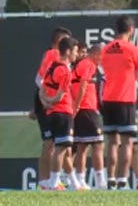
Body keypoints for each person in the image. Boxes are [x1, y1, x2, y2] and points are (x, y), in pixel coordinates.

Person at [100, 15, 138, 190]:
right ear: (131, 30)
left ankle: (110, 179)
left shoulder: (106, 49)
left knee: (112, 142)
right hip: (125, 99)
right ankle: (123, 180)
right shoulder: (133, 49)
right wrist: (132, 76)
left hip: (108, 99)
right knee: (127, 142)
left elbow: (104, 71)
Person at [30, 27, 72, 189]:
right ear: (59, 41)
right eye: (66, 40)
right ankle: (45, 180)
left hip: (52, 102)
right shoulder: (53, 55)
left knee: (56, 144)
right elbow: (40, 79)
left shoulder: (61, 59)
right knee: (50, 143)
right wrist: (47, 99)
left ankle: (53, 180)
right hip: (50, 103)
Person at [38, 37, 78, 190]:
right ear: (67, 52)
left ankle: (73, 183)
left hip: (51, 113)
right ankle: (54, 181)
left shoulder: (52, 67)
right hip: (63, 112)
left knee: (60, 147)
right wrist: (53, 101)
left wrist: (46, 102)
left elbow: (42, 89)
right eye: (74, 51)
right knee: (61, 148)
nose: (76, 55)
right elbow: (61, 95)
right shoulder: (66, 70)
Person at [71, 43, 106, 190]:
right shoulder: (89, 64)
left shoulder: (84, 64)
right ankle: (100, 181)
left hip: (84, 109)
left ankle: (80, 180)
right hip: (87, 109)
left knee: (82, 147)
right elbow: (83, 85)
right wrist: (77, 105)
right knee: (98, 145)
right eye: (102, 55)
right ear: (96, 54)